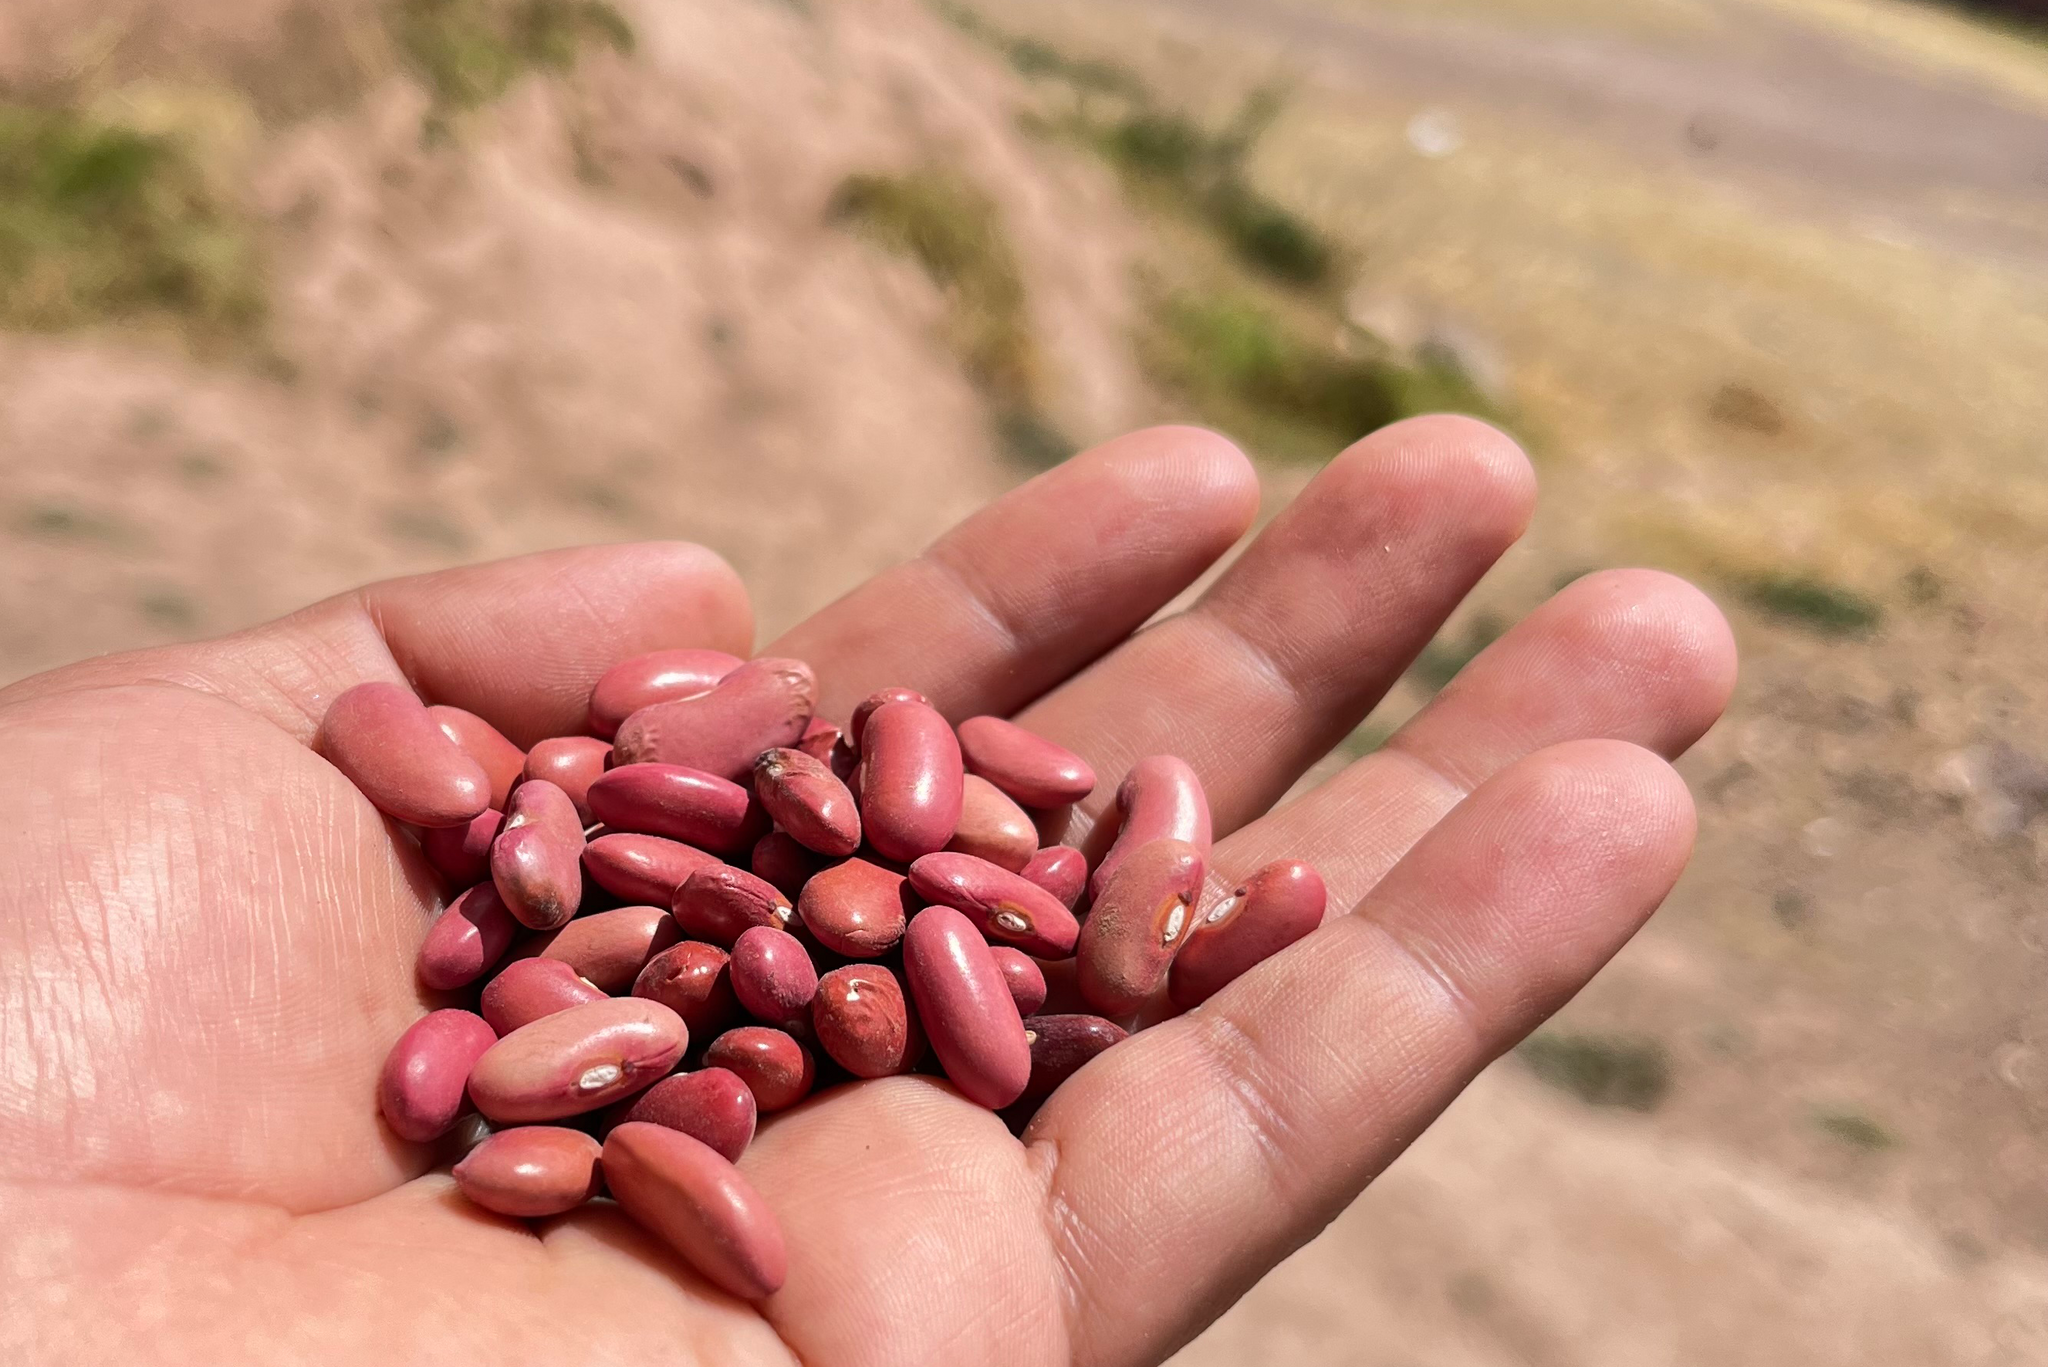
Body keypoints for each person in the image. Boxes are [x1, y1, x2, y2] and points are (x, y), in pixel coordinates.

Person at [0, 418, 1736, 1364]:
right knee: (811, 965)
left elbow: (883, 956)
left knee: (865, 965)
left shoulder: (839, 887)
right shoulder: (656, 892)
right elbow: (638, 964)